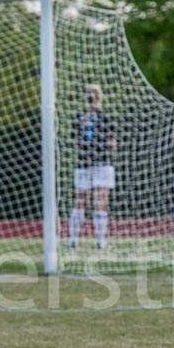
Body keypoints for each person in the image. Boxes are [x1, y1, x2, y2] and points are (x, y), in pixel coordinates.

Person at [68, 84, 117, 250]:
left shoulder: (98, 118)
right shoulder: (88, 117)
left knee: (90, 201)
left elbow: (76, 142)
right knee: (90, 201)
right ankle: (81, 240)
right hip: (92, 163)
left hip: (93, 163)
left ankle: (90, 240)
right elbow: (112, 143)